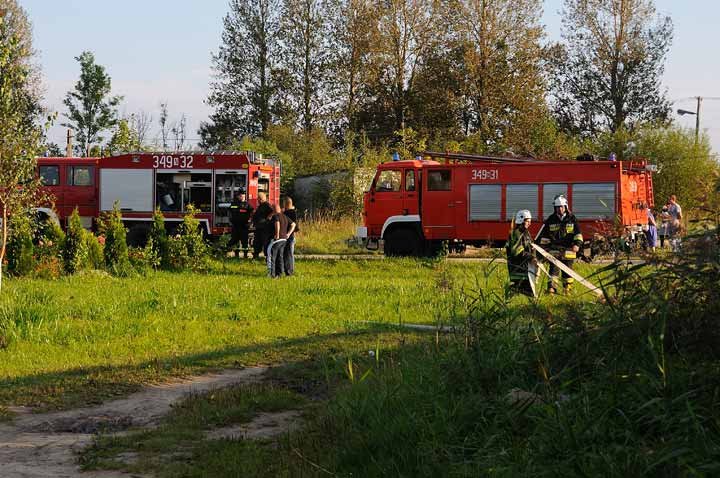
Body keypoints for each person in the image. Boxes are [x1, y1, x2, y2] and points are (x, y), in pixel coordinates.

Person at [538, 194, 583, 294]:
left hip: (568, 250)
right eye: (557, 207)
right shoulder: (551, 219)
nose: (559, 209)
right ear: (555, 208)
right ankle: (551, 289)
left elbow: (578, 234)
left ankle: (567, 289)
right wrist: (544, 248)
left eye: (561, 207)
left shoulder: (572, 219)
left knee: (568, 271)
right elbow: (544, 236)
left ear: (566, 207)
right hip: (554, 249)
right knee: (553, 271)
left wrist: (577, 244)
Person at [505, 209, 536, 297]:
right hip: (518, 268)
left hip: (525, 267)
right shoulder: (516, 234)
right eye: (527, 221)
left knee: (528, 292)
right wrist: (531, 257)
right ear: (521, 220)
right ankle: (511, 293)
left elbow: (529, 247)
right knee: (525, 291)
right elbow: (517, 252)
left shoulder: (526, 233)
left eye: (530, 221)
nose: (530, 223)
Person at [266, 203, 296, 278]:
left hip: (277, 240)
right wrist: (288, 234)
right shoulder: (285, 216)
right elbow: (293, 224)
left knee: (271, 255)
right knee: (280, 257)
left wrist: (277, 234)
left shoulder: (276, 216)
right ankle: (279, 274)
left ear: (273, 210)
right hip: (284, 240)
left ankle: (271, 274)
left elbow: (277, 223)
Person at [227, 190, 253, 258]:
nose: (243, 197)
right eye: (241, 196)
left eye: (244, 196)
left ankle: (245, 255)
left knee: (244, 241)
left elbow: (252, 213)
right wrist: (230, 220)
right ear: (238, 196)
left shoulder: (247, 205)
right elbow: (229, 211)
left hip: (244, 226)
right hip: (235, 226)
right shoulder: (234, 204)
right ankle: (236, 254)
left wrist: (250, 222)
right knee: (234, 240)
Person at [252, 192, 273, 259]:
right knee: (257, 242)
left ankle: (267, 257)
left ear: (261, 199)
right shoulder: (260, 206)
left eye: (258, 199)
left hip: (264, 228)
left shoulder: (267, 205)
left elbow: (273, 212)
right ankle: (256, 255)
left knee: (265, 242)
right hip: (259, 227)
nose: (257, 200)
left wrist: (267, 219)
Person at [282, 196, 298, 276]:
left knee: (289, 254)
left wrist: (288, 234)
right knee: (287, 254)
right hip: (287, 235)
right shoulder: (288, 212)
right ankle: (287, 270)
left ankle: (289, 271)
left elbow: (293, 225)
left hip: (289, 236)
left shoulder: (291, 212)